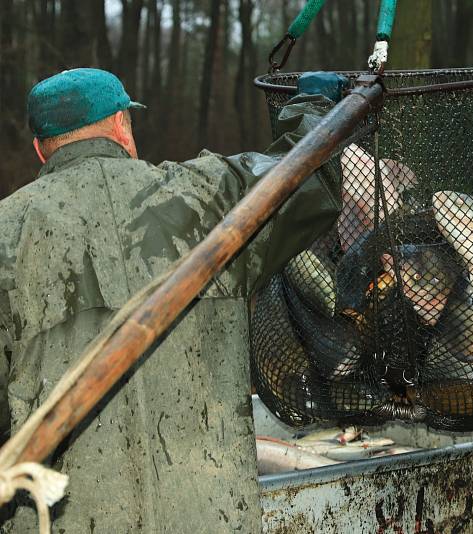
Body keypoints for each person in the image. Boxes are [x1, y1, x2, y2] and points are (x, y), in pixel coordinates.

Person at [0, 68, 348, 533]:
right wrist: (312, 109)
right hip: (208, 515)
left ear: (41, 148)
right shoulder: (204, 197)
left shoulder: (7, 233)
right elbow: (301, 183)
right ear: (123, 125)